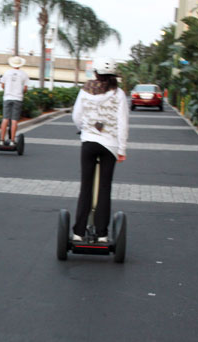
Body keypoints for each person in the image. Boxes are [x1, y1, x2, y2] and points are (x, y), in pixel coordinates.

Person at [71, 57, 129, 242]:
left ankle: (79, 232)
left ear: (95, 73)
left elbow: (76, 116)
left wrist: (83, 129)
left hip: (88, 142)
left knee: (86, 187)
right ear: (113, 75)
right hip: (110, 145)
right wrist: (122, 148)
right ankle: (102, 234)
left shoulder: (85, 90)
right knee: (104, 188)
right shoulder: (118, 94)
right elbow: (123, 122)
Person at [0, 56, 29, 144]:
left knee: (5, 119)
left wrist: (9, 89)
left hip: (7, 98)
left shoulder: (7, 73)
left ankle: (1, 140)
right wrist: (20, 91)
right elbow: (25, 88)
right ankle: (12, 140)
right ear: (20, 64)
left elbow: (2, 85)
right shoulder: (24, 74)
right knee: (14, 120)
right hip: (18, 98)